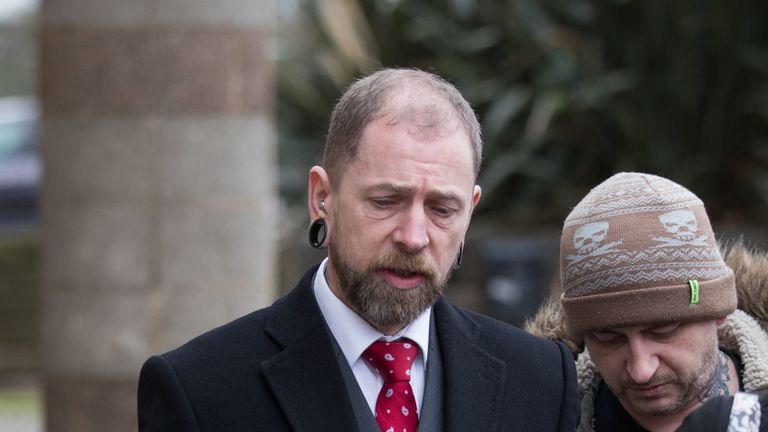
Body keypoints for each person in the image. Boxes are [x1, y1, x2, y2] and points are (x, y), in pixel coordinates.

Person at [137, 68, 580, 432]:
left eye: (442, 209)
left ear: (471, 213)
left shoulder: (541, 380)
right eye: (385, 201)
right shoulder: (201, 391)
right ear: (321, 197)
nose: (413, 236)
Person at [525, 172, 768, 432]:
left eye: (662, 332)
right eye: (609, 338)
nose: (641, 371)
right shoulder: (538, 416)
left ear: (719, 310)